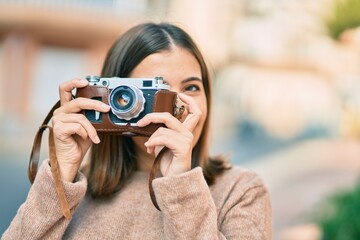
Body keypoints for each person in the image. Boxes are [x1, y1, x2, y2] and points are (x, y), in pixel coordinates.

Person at [2, 22, 272, 239]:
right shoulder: (74, 191)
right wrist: (60, 176)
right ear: (112, 98)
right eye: (157, 91)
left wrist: (182, 185)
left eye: (191, 88)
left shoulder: (241, 191)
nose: (177, 107)